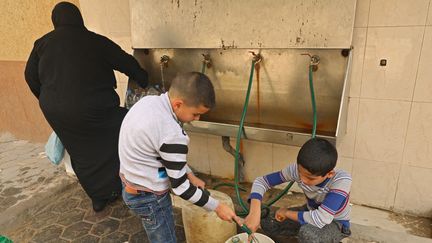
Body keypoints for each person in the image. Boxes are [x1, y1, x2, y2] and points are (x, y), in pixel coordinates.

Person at [24, 2, 148, 212]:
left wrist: (48, 99)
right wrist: (144, 79)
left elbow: (30, 76)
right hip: (96, 108)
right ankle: (127, 184)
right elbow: (125, 62)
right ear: (78, 18)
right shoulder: (94, 40)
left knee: (80, 152)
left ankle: (99, 197)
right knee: (122, 132)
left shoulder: (42, 44)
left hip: (56, 111)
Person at [119, 72, 239, 243]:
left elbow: (163, 152)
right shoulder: (172, 133)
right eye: (195, 114)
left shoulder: (148, 102)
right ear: (178, 104)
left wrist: (190, 174)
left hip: (131, 182)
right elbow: (180, 188)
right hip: (149, 197)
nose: (196, 119)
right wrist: (217, 207)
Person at [243, 138, 352, 243]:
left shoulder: (341, 180)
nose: (302, 180)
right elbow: (261, 182)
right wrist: (254, 212)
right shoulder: (296, 170)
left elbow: (321, 218)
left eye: (310, 178)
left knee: (308, 234)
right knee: (269, 222)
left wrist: (287, 213)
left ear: (329, 174)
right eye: (300, 173)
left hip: (335, 223)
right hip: (310, 211)